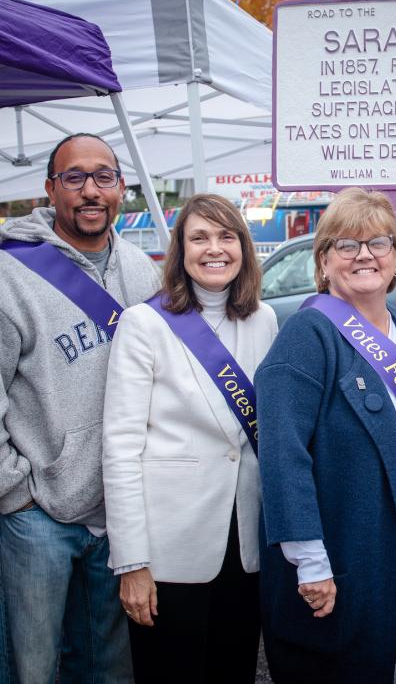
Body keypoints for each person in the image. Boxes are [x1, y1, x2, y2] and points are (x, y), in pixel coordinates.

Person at [256, 187, 396, 684]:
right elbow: (282, 455)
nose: (364, 255)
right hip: (339, 566)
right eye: (346, 244)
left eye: (379, 243)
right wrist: (310, 561)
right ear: (323, 262)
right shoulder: (307, 335)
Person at [0, 133, 160, 683]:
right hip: (37, 511)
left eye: (104, 177)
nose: (91, 191)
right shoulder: (8, 274)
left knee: (108, 668)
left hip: (120, 514)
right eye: (75, 178)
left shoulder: (144, 271)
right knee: (32, 668)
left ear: (122, 188)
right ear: (50, 189)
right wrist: (16, 491)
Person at [102, 193, 278, 683]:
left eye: (227, 236)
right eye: (199, 237)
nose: (214, 248)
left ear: (244, 247)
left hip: (244, 545)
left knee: (234, 670)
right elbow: (120, 449)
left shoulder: (264, 319)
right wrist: (132, 563)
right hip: (169, 549)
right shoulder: (144, 325)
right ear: (179, 249)